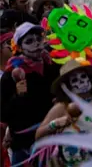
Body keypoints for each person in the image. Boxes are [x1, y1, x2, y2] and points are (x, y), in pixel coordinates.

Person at [0, 23, 59, 165]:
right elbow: (2, 113)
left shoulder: (53, 67)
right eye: (29, 41)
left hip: (52, 139)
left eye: (39, 39)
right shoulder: (10, 75)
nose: (36, 44)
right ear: (19, 47)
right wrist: (18, 96)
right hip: (23, 144)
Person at [34, 59, 92, 166]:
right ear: (68, 87)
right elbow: (38, 135)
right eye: (74, 80)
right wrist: (55, 123)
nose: (81, 82)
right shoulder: (62, 107)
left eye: (83, 77)